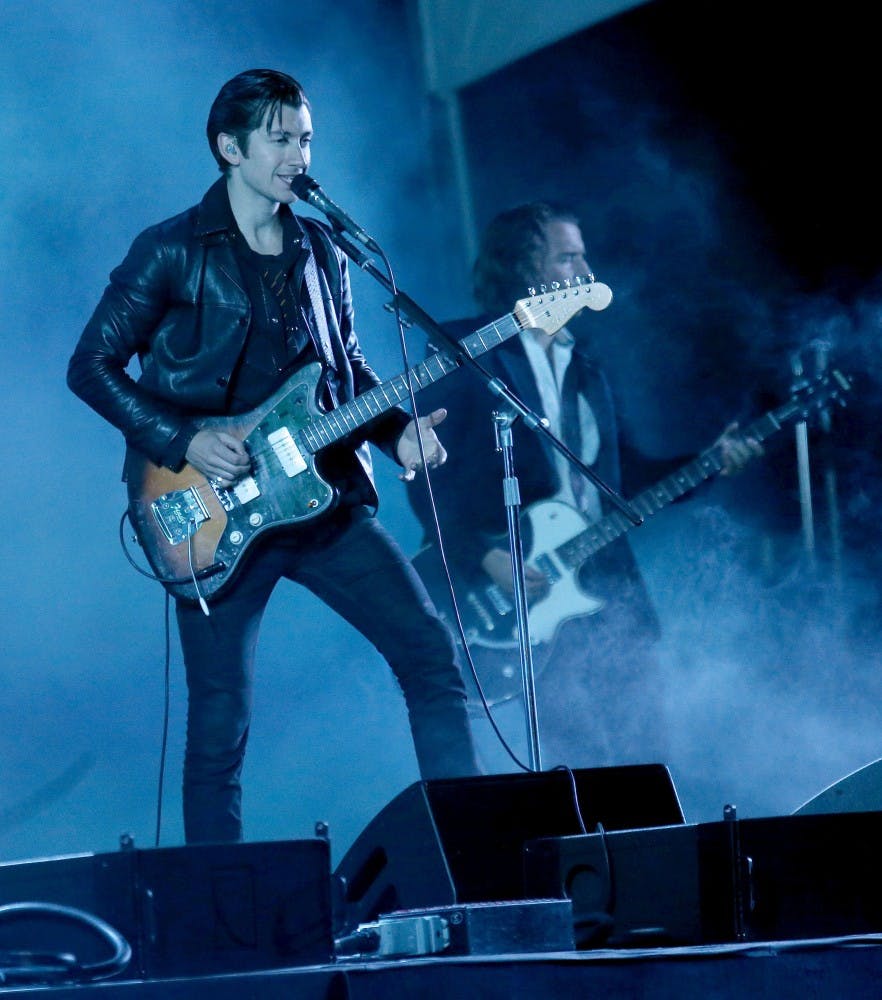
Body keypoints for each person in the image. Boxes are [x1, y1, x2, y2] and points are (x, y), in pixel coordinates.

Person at [67, 69, 480, 844]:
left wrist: (398, 437)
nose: (299, 154)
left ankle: (475, 860)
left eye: (307, 138)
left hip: (321, 504)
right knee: (219, 729)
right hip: (207, 513)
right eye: (282, 138)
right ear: (231, 147)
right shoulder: (168, 251)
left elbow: (347, 370)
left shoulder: (321, 249)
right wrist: (185, 438)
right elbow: (88, 366)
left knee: (430, 657)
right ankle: (216, 917)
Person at [406, 202, 758, 769]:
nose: (586, 269)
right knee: (579, 766)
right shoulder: (469, 351)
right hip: (532, 595)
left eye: (584, 255)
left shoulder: (588, 367)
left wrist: (711, 461)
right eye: (568, 256)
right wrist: (486, 556)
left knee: (649, 758)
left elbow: (619, 479)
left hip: (612, 590)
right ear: (526, 270)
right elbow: (429, 478)